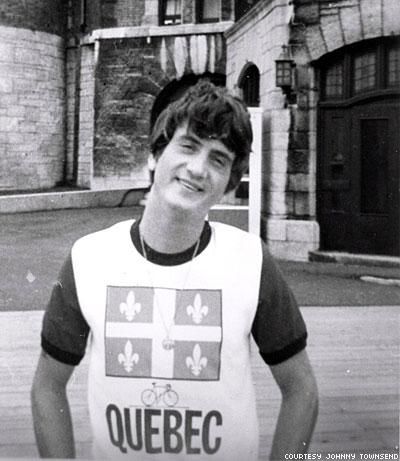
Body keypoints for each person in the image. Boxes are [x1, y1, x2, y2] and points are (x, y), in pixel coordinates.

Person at [31, 80, 318, 460]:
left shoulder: (250, 260)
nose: (198, 168)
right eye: (188, 146)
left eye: (218, 159)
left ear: (228, 184)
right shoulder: (89, 258)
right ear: (155, 154)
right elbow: (47, 386)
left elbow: (301, 390)